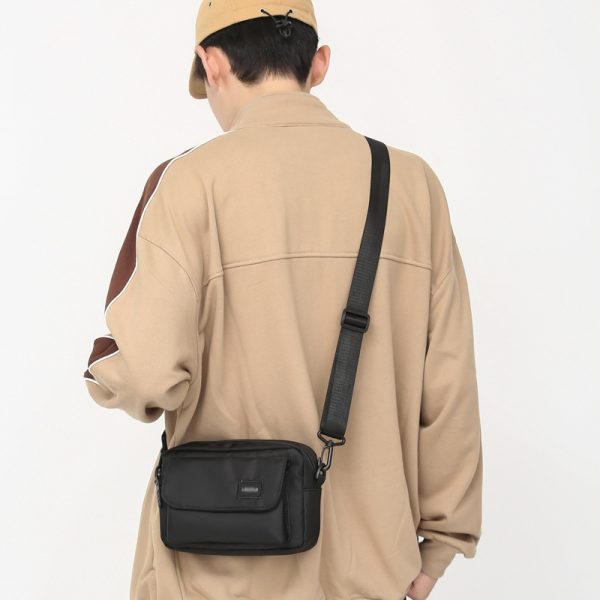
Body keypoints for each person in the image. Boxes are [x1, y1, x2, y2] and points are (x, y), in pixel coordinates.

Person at [82, 1, 483, 599]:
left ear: (211, 63)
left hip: (213, 571)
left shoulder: (186, 183)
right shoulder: (410, 184)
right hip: (373, 568)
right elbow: (448, 383)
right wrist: (442, 544)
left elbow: (143, 374)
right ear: (318, 63)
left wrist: (104, 371)